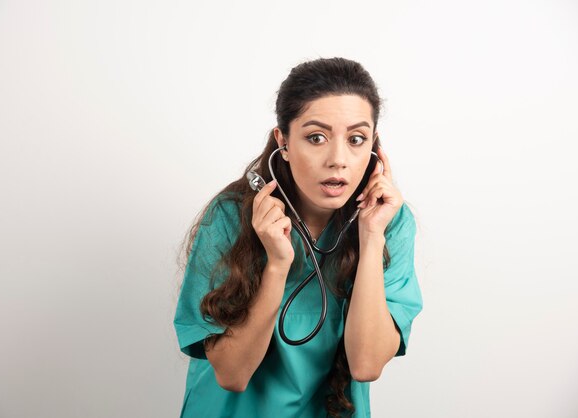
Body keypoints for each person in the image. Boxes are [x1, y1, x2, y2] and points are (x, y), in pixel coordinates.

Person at [173, 57, 423, 418]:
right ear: (284, 142)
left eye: (356, 139)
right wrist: (277, 265)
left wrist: (371, 237)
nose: (338, 159)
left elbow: (366, 365)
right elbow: (231, 373)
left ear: (374, 148)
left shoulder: (389, 222)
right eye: (316, 137)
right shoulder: (230, 217)